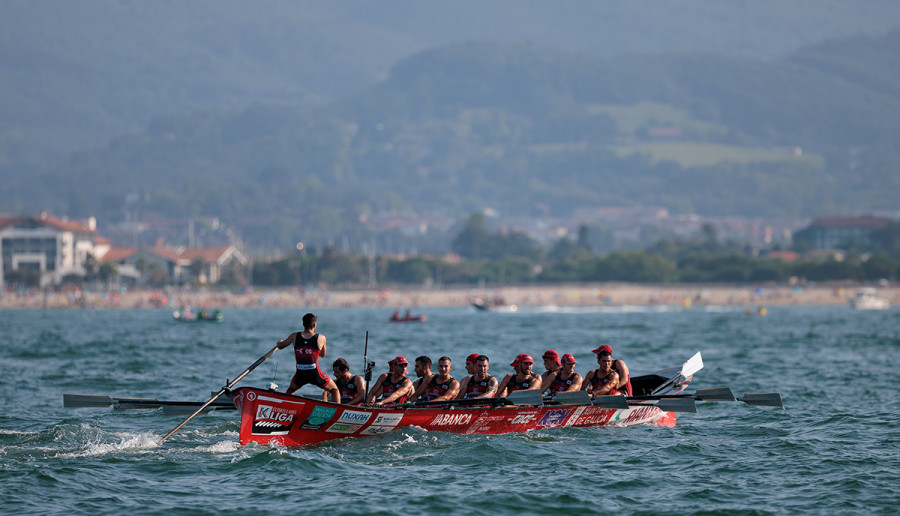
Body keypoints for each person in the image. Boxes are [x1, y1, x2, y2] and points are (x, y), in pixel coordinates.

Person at [276, 312, 339, 402]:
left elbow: (280, 346)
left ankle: (284, 409)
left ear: (303, 324)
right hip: (315, 374)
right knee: (334, 390)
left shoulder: (294, 336)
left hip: (300, 374)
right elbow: (322, 355)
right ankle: (337, 413)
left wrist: (280, 342)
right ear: (314, 325)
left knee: (290, 390)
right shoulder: (321, 338)